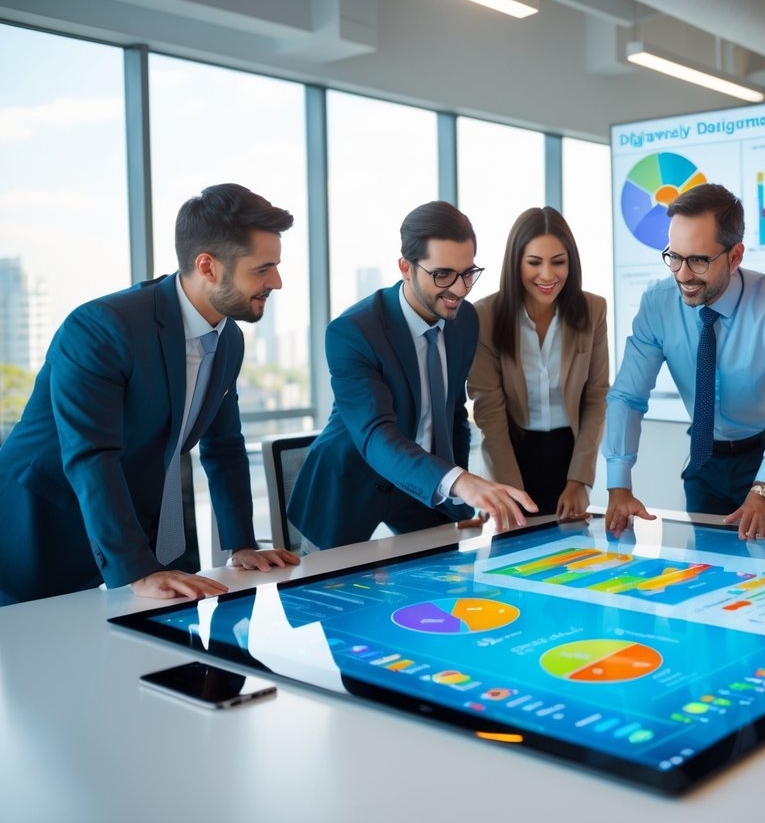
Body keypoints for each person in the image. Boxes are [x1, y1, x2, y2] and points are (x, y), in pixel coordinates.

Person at [0, 183, 300, 605]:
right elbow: (92, 455)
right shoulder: (102, 327)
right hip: (38, 526)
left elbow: (225, 446)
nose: (278, 282)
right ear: (208, 266)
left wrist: (242, 545)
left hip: (123, 525)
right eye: (262, 268)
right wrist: (137, 570)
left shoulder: (229, 339)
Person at [288, 201, 536, 549]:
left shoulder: (464, 321)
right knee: (326, 599)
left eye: (468, 273)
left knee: (446, 583)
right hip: (349, 485)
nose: (460, 290)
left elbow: (452, 414)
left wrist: (456, 497)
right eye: (443, 275)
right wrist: (459, 481)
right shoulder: (353, 331)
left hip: (423, 486)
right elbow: (376, 434)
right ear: (406, 267)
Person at [603, 183, 765, 541]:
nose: (683, 275)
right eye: (674, 256)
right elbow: (627, 396)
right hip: (704, 459)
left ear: (735, 256)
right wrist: (618, 487)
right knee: (707, 579)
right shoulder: (658, 303)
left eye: (699, 260)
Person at [467, 207, 609, 519]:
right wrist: (508, 492)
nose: (547, 275)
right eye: (534, 263)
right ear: (515, 263)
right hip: (511, 457)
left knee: (572, 561)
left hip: (569, 458)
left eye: (558, 262)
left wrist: (579, 481)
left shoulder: (593, 310)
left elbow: (597, 397)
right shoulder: (485, 316)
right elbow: (489, 410)